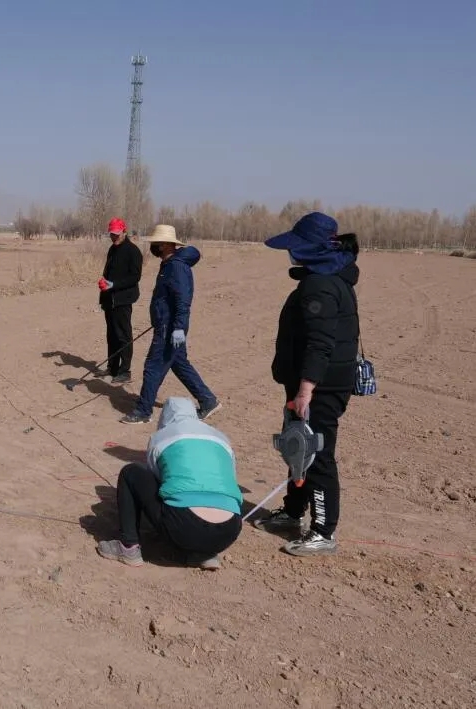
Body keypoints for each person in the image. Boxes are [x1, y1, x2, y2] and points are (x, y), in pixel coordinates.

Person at [253, 213, 361, 556]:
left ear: (311, 249)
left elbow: (320, 342)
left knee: (318, 455)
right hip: (312, 382)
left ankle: (322, 530)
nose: (291, 253)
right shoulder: (323, 278)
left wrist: (305, 390)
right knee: (298, 446)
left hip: (321, 387)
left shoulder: (321, 285)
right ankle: (292, 510)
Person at [97, 397, 243, 570]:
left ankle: (129, 547)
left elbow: (157, 479)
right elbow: (230, 477)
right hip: (229, 531)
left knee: (131, 472)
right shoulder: (221, 438)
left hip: (185, 524)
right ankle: (204, 553)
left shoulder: (161, 437)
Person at [121, 224, 221, 424]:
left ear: (166, 245)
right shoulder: (169, 264)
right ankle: (208, 400)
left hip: (170, 328)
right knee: (179, 363)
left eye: (157, 243)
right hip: (166, 324)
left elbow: (183, 301)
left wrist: (177, 328)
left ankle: (143, 411)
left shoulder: (176, 267)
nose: (154, 246)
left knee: (152, 366)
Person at [98, 217, 143, 384]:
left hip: (123, 300)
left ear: (124, 231)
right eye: (112, 234)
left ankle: (125, 371)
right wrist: (104, 284)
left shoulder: (133, 251)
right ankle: (112, 367)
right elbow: (108, 272)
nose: (114, 237)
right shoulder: (112, 249)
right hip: (110, 299)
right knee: (111, 335)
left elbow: (135, 277)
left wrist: (114, 285)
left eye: (117, 234)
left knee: (123, 335)